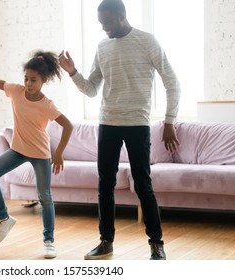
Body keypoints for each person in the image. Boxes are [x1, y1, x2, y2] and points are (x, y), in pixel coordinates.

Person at [59, 0, 181, 260]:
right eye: (100, 23)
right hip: (108, 123)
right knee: (105, 184)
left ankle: (156, 244)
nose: (103, 27)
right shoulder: (102, 47)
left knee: (143, 185)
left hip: (137, 123)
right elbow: (92, 89)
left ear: (121, 16)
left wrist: (169, 121)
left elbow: (172, 82)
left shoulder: (147, 41)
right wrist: (73, 73)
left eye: (107, 22)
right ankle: (106, 242)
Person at [0, 50, 73, 259]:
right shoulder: (16, 91)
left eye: (33, 80)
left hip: (40, 153)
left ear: (44, 80)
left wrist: (59, 152)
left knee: (44, 196)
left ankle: (49, 241)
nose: (28, 83)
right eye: (26, 78)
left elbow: (68, 126)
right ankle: (4, 219)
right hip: (17, 149)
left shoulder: (47, 105)